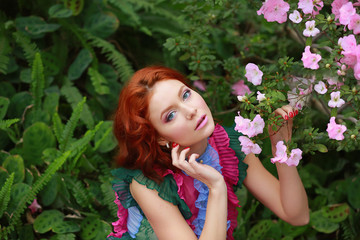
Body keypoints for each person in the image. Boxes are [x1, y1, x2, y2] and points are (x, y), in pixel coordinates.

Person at [107, 66, 309, 240]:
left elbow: (297, 216)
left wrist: (281, 148)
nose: (191, 111)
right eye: (170, 115)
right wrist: (216, 186)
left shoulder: (228, 146)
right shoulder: (149, 183)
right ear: (159, 137)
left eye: (185, 95)